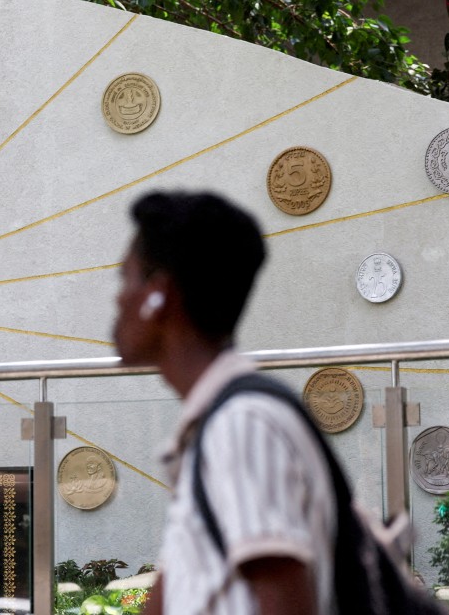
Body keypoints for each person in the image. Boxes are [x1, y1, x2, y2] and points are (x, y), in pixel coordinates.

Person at [113, 190, 336, 615]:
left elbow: (285, 601)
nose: (118, 298)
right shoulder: (220, 423)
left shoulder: (242, 424)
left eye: (127, 278)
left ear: (160, 296)